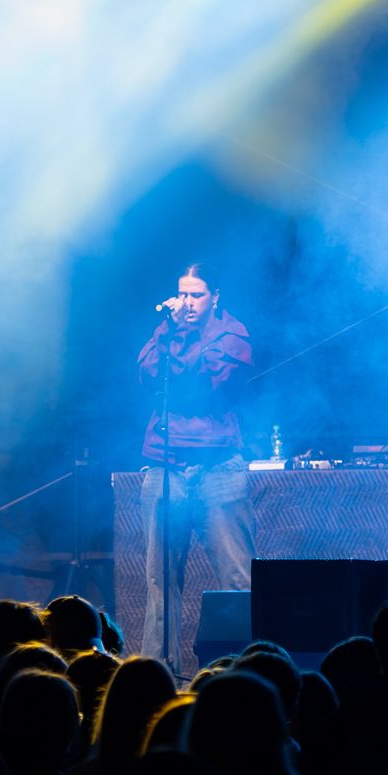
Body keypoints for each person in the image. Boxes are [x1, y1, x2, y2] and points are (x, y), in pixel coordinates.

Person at [137, 262, 253, 676]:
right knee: (160, 581)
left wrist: (176, 337)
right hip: (165, 463)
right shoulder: (166, 332)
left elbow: (202, 381)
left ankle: (245, 672)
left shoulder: (232, 335)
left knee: (236, 577)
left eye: (196, 295)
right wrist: (170, 333)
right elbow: (147, 372)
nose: (186, 303)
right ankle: (158, 677)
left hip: (218, 466)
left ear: (215, 297)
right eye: (182, 294)